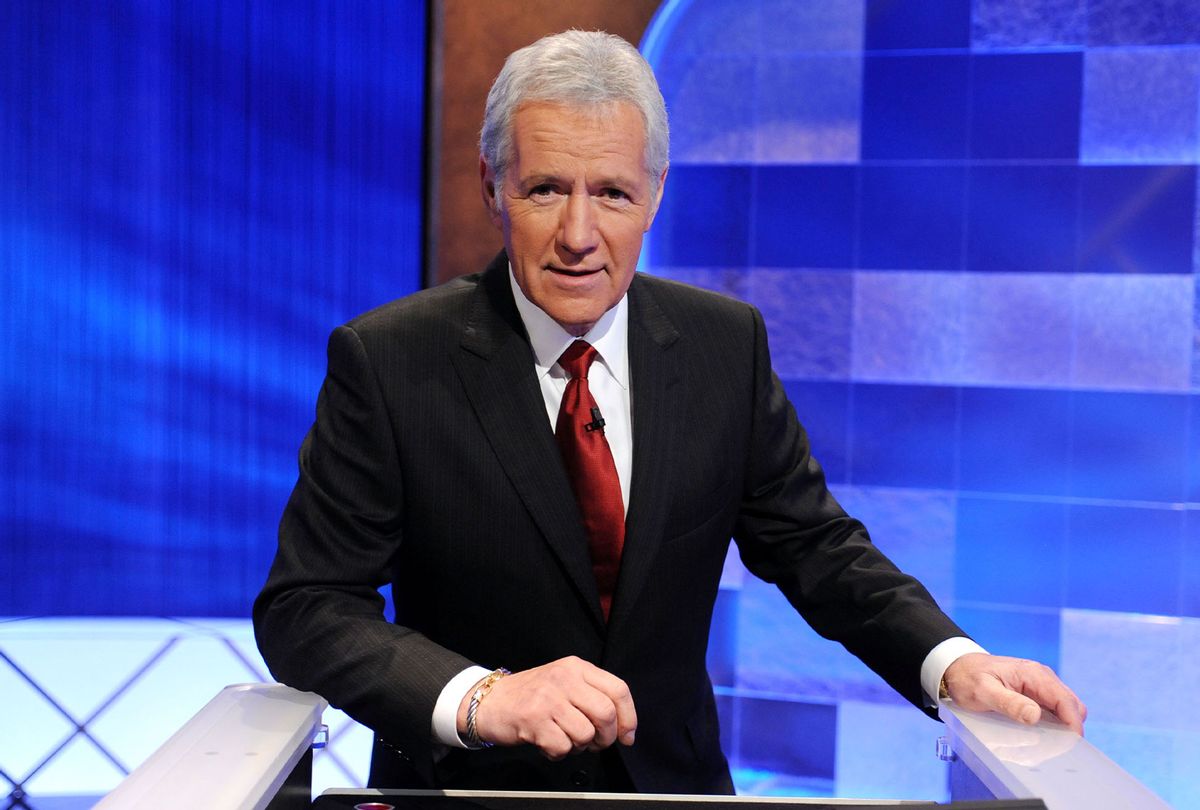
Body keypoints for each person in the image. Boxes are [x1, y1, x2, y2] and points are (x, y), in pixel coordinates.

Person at [253, 30, 1086, 795]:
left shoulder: (724, 345)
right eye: (545, 188)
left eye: (612, 193)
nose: (580, 233)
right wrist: (480, 698)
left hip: (675, 791)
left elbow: (816, 548)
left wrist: (951, 664)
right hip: (470, 788)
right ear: (491, 185)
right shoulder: (392, 361)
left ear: (656, 194)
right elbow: (308, 607)